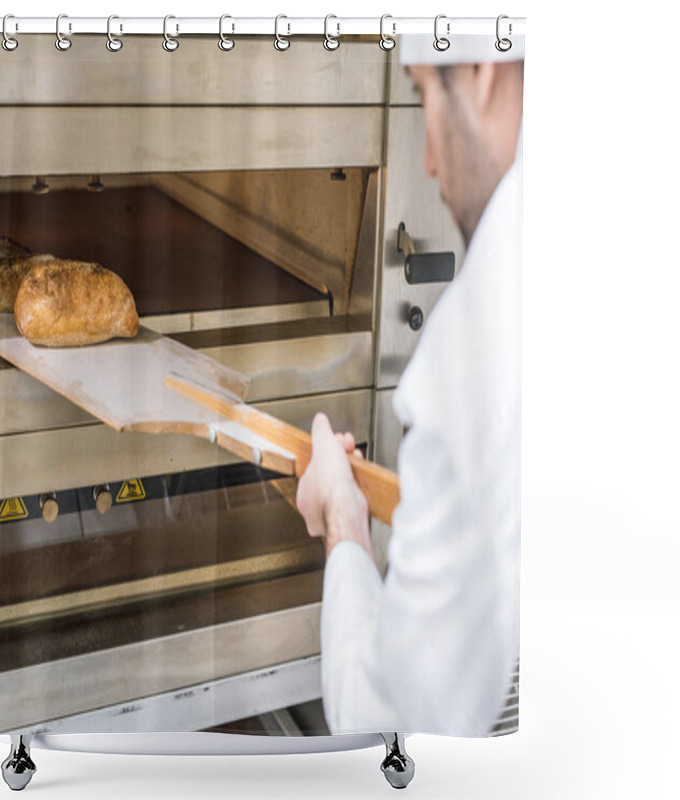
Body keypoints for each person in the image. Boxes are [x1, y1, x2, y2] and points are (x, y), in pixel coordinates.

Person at [296, 51, 524, 735]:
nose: (428, 160)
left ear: (483, 71)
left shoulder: (495, 314)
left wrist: (343, 518)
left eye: (424, 94)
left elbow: (395, 722)